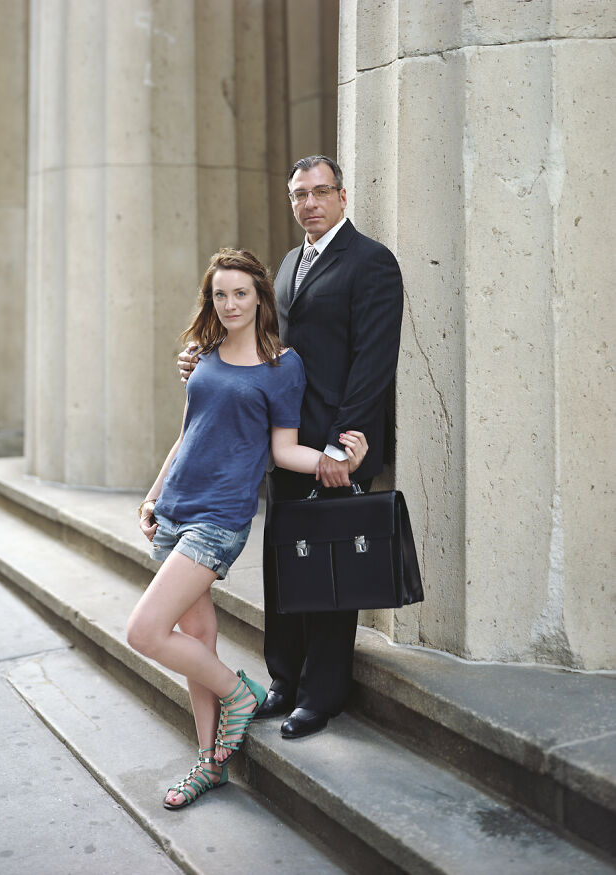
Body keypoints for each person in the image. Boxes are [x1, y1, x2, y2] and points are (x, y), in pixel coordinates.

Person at [128, 248, 368, 810]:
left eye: (240, 293)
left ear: (260, 297)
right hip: (176, 508)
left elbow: (284, 450)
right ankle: (210, 764)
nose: (230, 303)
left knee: (144, 632)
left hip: (219, 519)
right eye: (220, 294)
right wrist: (154, 495)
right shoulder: (204, 355)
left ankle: (240, 694)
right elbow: (189, 433)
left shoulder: (283, 365)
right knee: (196, 641)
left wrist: (338, 461)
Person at [179, 155, 403, 740]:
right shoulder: (285, 265)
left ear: (342, 197)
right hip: (281, 440)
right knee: (285, 565)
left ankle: (321, 695)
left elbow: (373, 362)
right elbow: (260, 339)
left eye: (320, 192)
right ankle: (282, 679)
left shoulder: (372, 262)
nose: (310, 203)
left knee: (331, 574)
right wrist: (204, 358)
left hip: (335, 447)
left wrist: (340, 448)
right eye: (300, 194)